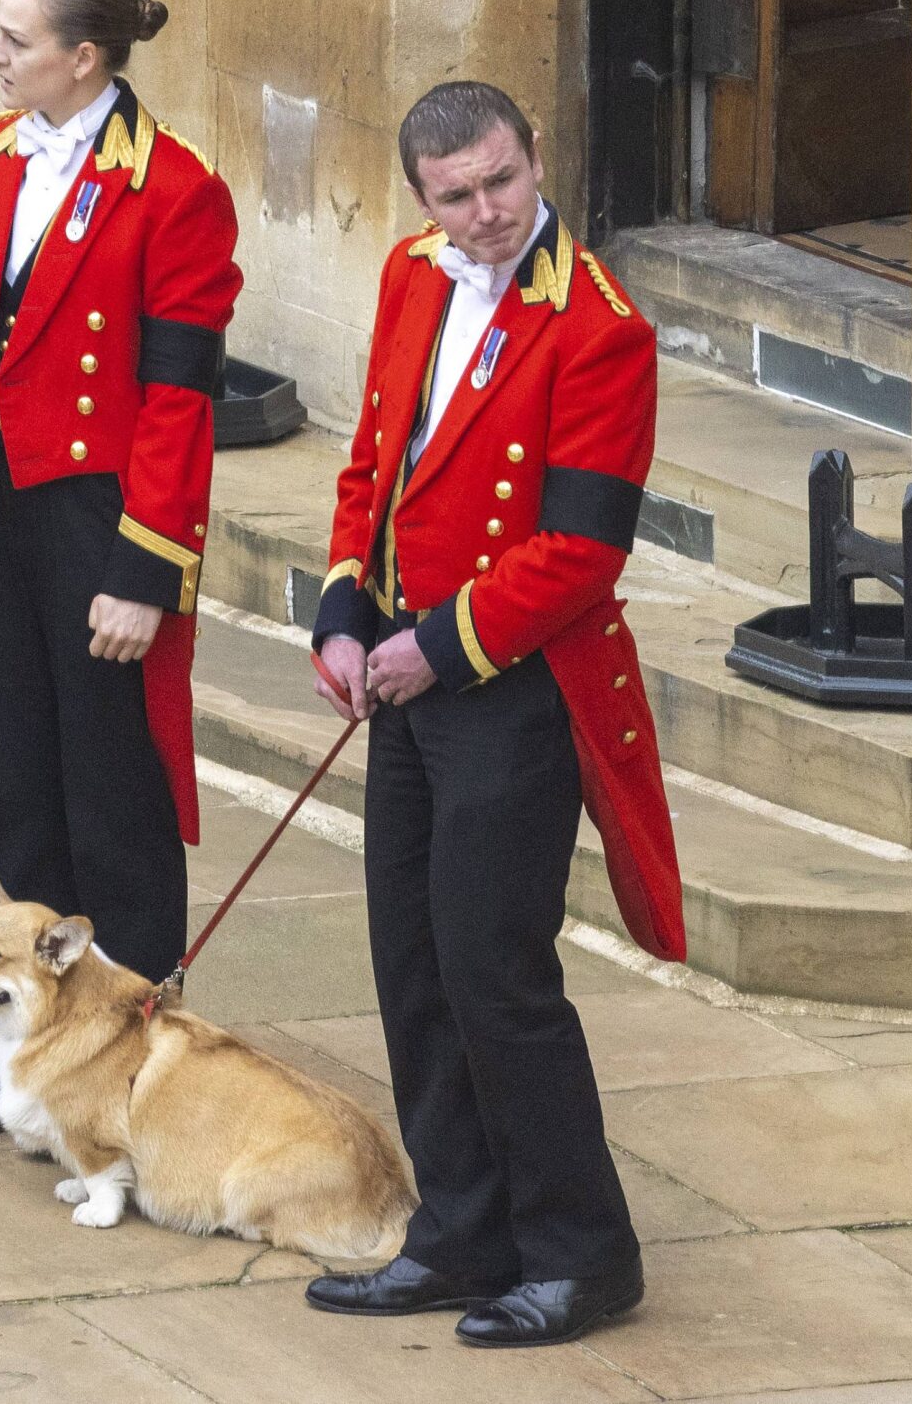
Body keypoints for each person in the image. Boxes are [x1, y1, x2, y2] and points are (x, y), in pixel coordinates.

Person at [299, 81, 685, 1346]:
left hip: (516, 692)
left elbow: (580, 552)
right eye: (457, 196)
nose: (486, 215)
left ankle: (582, 1253)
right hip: (407, 671)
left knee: (494, 971)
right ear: (423, 199)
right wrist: (345, 614)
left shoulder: (599, 328)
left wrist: (434, 646)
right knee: (410, 962)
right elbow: (375, 464)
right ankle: (462, 1233)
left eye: (502, 183)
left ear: (533, 159)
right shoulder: (414, 274)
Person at [0, 0, 244, 1140]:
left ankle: (134, 1077)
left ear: (85, 57)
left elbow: (181, 398)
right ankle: (16, 1056)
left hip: (102, 527)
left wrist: (145, 571)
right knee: (18, 792)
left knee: (112, 806)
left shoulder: (175, 188)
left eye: (16, 41)